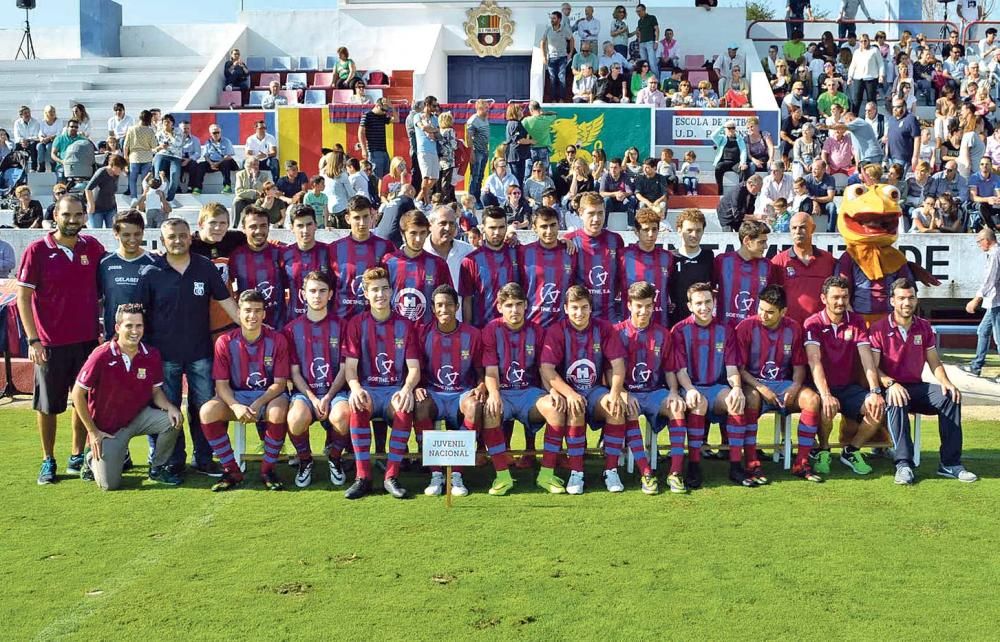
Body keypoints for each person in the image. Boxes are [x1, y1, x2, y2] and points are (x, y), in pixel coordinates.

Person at [138, 218, 239, 476]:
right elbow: (138, 315)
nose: (178, 240)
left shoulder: (204, 268)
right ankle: (173, 460)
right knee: (168, 407)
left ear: (190, 237)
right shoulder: (151, 272)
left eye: (183, 235)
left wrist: (250, 326)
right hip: (163, 355)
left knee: (204, 406)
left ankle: (204, 458)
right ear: (163, 241)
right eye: (172, 236)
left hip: (200, 352)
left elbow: (226, 302)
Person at [17, 195, 106, 484]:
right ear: (56, 214)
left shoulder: (92, 247)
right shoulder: (37, 250)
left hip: (87, 342)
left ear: (85, 216)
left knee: (82, 401)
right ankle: (48, 459)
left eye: (78, 215)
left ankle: (77, 456)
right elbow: (23, 297)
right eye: (67, 215)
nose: (72, 220)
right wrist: (34, 341)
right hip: (49, 344)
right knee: (47, 405)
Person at [870, 278, 977, 485]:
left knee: (950, 397)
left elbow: (934, 361)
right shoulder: (878, 328)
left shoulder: (924, 327)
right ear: (892, 301)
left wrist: (947, 383)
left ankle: (950, 464)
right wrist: (891, 384)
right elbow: (874, 368)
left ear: (917, 300)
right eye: (901, 298)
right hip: (889, 387)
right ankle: (903, 465)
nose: (906, 303)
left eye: (911, 298)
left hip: (915, 387)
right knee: (897, 398)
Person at [72, 303, 184, 490]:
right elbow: (77, 394)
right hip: (108, 428)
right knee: (109, 485)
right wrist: (93, 432)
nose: (135, 331)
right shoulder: (101, 355)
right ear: (117, 327)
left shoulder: (151, 354)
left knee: (172, 420)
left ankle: (157, 468)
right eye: (129, 326)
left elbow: (155, 392)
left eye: (138, 326)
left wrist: (171, 407)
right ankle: (91, 460)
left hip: (138, 417)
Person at [198, 290, 291, 491]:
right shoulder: (225, 341)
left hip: (268, 396)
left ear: (264, 314)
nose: (252, 316)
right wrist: (236, 406)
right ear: (239, 312)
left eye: (258, 311)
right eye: (247, 310)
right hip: (236, 396)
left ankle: (268, 470)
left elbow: (280, 383)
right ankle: (232, 471)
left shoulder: (277, 340)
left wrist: (258, 404)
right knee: (207, 411)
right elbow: (221, 385)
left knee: (277, 410)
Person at [540, 285, 628, 495]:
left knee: (615, 407)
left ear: (591, 308)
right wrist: (569, 393)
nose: (579, 313)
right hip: (568, 390)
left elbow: (618, 365)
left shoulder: (605, 329)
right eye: (574, 308)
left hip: (596, 390)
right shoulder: (556, 331)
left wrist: (615, 393)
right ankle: (576, 472)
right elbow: (547, 368)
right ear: (566, 309)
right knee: (575, 407)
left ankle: (611, 470)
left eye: (584, 307)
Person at [342, 267, 421, 499]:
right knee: (357, 403)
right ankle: (363, 476)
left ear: (392, 291)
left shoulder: (405, 325)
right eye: (375, 290)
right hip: (368, 389)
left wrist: (407, 389)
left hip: (393, 390)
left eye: (385, 288)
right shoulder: (356, 324)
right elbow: (350, 368)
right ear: (365, 293)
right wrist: (355, 388)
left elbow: (414, 368)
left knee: (404, 405)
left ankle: (391, 476)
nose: (381, 294)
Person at [481, 282, 566, 491]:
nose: (515, 310)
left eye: (519, 304)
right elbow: (490, 372)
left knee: (556, 408)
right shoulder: (491, 330)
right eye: (509, 305)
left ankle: (546, 475)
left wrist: (552, 391)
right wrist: (493, 394)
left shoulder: (537, 332)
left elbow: (543, 368)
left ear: (526, 305)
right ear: (500, 307)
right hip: (504, 393)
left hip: (530, 394)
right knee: (489, 411)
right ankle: (502, 476)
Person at [736, 285, 823, 483]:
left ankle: (801, 463)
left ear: (783, 312)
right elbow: (740, 369)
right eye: (760, 309)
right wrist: (761, 387)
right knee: (750, 398)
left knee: (812, 399)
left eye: (769, 312)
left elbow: (799, 366)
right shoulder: (745, 327)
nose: (763, 315)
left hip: (783, 385)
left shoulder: (793, 328)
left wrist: (794, 386)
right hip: (755, 384)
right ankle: (752, 462)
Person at [803, 276, 885, 476]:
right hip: (823, 387)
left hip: (849, 388)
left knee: (877, 407)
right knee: (826, 406)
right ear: (824, 298)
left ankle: (852, 450)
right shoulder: (812, 323)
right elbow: (815, 360)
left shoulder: (856, 321)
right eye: (835, 297)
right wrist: (825, 394)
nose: (841, 302)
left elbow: (867, 358)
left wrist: (875, 391)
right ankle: (823, 450)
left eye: (844, 297)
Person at [413, 285, 489, 496]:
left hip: (461, 393)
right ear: (433, 309)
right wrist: (417, 387)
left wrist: (482, 384)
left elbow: (480, 369)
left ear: (456, 307)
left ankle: (457, 474)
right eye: (439, 305)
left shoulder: (473, 334)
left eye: (448, 304)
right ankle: (436, 473)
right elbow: (414, 367)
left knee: (474, 406)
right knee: (419, 405)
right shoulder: (422, 333)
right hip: (434, 393)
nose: (444, 309)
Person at [672, 282, 748, 487]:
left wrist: (738, 389)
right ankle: (694, 465)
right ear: (689, 306)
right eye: (698, 303)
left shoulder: (725, 330)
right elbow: (680, 370)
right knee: (698, 403)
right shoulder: (679, 330)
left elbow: (732, 368)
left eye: (708, 302)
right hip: (690, 386)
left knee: (735, 401)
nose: (704, 307)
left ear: (714, 302)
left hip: (716, 387)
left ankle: (735, 466)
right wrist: (689, 389)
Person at [616, 280, 687, 494]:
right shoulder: (617, 332)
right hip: (630, 392)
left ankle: (675, 473)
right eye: (639, 306)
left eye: (648, 306)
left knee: (677, 407)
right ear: (629, 305)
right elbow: (611, 370)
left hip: (655, 391)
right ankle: (646, 472)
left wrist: (674, 392)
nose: (644, 311)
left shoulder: (663, 334)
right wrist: (622, 392)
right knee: (628, 410)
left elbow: (669, 368)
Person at [283, 270, 352, 488]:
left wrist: (329, 396)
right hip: (305, 393)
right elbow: (294, 373)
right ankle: (305, 460)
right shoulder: (291, 329)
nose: (317, 296)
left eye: (322, 291)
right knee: (295, 419)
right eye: (312, 291)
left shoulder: (342, 326)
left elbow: (344, 368)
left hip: (335, 392)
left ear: (331, 294)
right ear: (303, 294)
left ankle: (334, 456)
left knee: (343, 415)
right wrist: (313, 398)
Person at [98, 210, 158, 347]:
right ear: (116, 234)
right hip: (113, 340)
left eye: (137, 234)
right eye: (126, 235)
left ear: (143, 233)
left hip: (147, 341)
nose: (132, 239)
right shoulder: (105, 263)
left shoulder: (155, 262)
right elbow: (98, 300)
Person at [327, 196, 393, 318]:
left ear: (372, 216)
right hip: (343, 321)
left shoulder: (385, 247)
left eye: (365, 216)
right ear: (348, 219)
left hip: (374, 321)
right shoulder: (334, 248)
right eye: (357, 218)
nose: (362, 223)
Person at [383, 209, 452, 324]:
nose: (418, 239)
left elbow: (448, 299)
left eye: (422, 233)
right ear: (402, 233)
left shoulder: (438, 264)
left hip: (428, 334)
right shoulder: (388, 262)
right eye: (413, 233)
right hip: (395, 333)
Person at [565, 192, 624, 323]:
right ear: (580, 213)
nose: (596, 219)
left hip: (610, 316)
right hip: (581, 318)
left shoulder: (616, 240)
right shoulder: (569, 241)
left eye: (600, 213)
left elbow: (621, 275)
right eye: (591, 213)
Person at [770, 212, 838, 324]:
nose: (797, 232)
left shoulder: (828, 260)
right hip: (789, 327)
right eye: (794, 228)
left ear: (813, 228)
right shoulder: (779, 261)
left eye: (802, 227)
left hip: (820, 327)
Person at [458, 207, 519, 328]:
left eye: (501, 227)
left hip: (515, 330)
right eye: (492, 228)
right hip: (482, 330)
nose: (497, 232)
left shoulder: (518, 253)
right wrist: (468, 332)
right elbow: (467, 300)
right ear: (483, 228)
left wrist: (566, 242)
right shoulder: (470, 261)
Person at [227, 206, 286, 329]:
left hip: (279, 328)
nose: (259, 231)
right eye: (253, 226)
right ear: (243, 229)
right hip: (249, 328)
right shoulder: (236, 257)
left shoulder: (281, 253)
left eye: (263, 225)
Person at [519, 207, 575, 328]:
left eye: (553, 225)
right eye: (544, 226)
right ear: (534, 228)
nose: (549, 231)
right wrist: (510, 233)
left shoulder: (571, 251)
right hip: (532, 325)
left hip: (563, 327)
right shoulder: (523, 252)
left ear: (559, 225)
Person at [714, 220, 777, 326]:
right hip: (724, 332)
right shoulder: (722, 261)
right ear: (747, 241)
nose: (766, 246)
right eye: (761, 242)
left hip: (755, 331)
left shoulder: (767, 266)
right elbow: (709, 290)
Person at [962, 229, 1000, 380]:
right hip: (993, 301)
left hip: (997, 301)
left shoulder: (995, 254)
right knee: (983, 331)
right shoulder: (993, 253)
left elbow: (990, 279)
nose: (978, 244)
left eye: (979, 241)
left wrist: (976, 299)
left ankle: (976, 365)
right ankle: (976, 365)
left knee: (998, 339)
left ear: (987, 240)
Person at [358, 98, 397, 180]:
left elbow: (396, 119)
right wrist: (364, 149)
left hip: (384, 150)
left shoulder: (382, 116)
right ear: (377, 105)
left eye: (386, 110)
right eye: (383, 110)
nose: (385, 112)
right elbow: (360, 132)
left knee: (387, 176)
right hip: (374, 151)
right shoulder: (367, 115)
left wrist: (392, 107)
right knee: (377, 177)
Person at [82, 155, 125, 229]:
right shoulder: (101, 172)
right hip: (97, 209)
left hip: (111, 208)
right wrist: (91, 204)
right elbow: (88, 189)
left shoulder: (116, 175)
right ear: (114, 166)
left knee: (112, 232)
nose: (122, 171)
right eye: (121, 168)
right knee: (97, 232)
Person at [542, 11, 575, 101]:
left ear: (559, 19)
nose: (552, 20)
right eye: (551, 18)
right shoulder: (548, 29)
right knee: (552, 78)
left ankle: (561, 99)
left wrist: (571, 52)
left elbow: (571, 39)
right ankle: (553, 99)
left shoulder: (565, 30)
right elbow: (542, 42)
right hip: (551, 58)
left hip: (562, 58)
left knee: (561, 78)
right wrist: (544, 56)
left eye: (554, 18)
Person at [414, 97, 441, 204]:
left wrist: (433, 130)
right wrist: (434, 130)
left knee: (434, 178)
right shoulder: (417, 116)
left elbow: (438, 134)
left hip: (433, 150)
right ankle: (426, 202)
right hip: (423, 149)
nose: (435, 108)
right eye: (433, 106)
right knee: (425, 177)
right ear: (427, 105)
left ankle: (417, 200)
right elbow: (424, 128)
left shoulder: (434, 118)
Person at [464, 99, 491, 205]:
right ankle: (471, 200)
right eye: (486, 108)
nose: (488, 110)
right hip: (477, 152)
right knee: (475, 176)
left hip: (484, 151)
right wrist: (471, 153)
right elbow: (468, 137)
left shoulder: (485, 118)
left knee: (480, 176)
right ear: (479, 108)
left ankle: (477, 198)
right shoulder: (473, 120)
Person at [968, 157, 1000, 231]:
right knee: (981, 206)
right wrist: (987, 199)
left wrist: (997, 199)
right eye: (982, 164)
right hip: (979, 202)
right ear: (979, 166)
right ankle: (990, 227)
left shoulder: (996, 178)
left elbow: (997, 193)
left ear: (991, 165)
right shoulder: (974, 177)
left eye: (987, 164)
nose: (984, 166)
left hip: (991, 202)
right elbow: (973, 197)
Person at [12, 105, 40, 171]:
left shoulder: (35, 122)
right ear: (21, 115)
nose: (28, 114)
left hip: (32, 142)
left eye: (28, 112)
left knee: (33, 146)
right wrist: (22, 141)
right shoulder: (17, 123)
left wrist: (27, 140)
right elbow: (17, 136)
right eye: (25, 113)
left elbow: (36, 136)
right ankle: (17, 167)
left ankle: (33, 168)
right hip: (21, 142)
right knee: (16, 148)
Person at [635, 3, 659, 77]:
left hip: (650, 43)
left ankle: (657, 82)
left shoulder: (652, 18)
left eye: (639, 11)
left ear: (644, 10)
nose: (638, 13)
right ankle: (646, 82)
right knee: (644, 64)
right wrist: (639, 43)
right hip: (642, 44)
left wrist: (656, 42)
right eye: (637, 11)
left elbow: (657, 29)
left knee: (652, 63)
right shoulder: (639, 21)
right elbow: (639, 33)